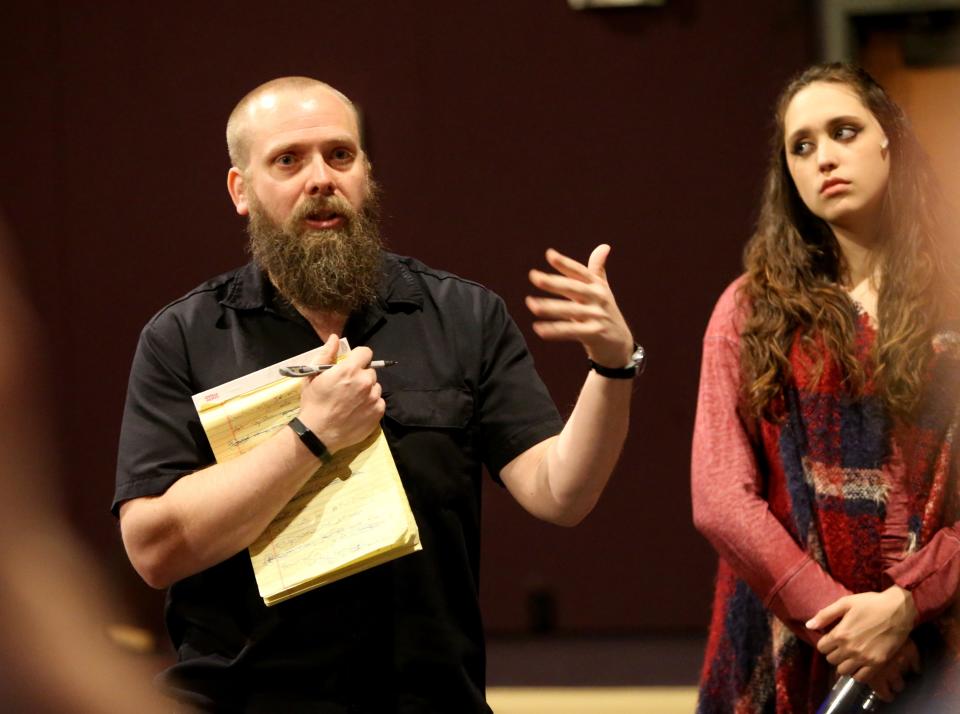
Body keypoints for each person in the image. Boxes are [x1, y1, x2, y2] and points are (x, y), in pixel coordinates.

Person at [113, 76, 640, 712]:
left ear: (366, 172)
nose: (320, 178)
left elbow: (562, 494)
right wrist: (309, 437)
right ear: (241, 190)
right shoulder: (186, 337)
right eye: (288, 160)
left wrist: (612, 368)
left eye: (341, 155)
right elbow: (153, 549)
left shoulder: (463, 317)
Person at [692, 63, 960, 713]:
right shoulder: (752, 308)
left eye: (844, 132)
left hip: (945, 641)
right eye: (802, 146)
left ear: (888, 142)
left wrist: (906, 605)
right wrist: (847, 627)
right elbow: (720, 498)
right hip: (792, 639)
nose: (824, 159)